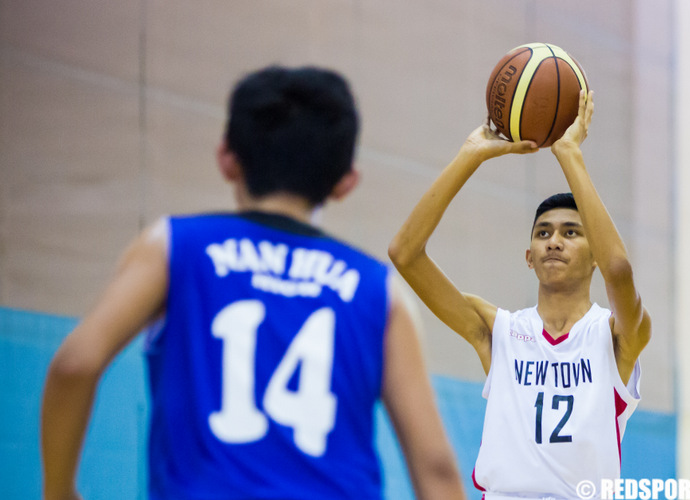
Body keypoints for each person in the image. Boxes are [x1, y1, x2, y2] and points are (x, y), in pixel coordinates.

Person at [41, 66, 466, 500]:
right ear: (346, 181)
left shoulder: (172, 246)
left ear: (227, 158)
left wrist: (58, 491)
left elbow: (76, 363)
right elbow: (434, 466)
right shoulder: (378, 289)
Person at [389, 91, 651, 499]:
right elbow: (404, 254)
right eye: (543, 233)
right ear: (529, 257)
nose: (554, 242)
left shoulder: (616, 336)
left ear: (595, 253)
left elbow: (619, 271)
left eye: (571, 233)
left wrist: (569, 154)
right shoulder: (500, 332)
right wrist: (470, 156)